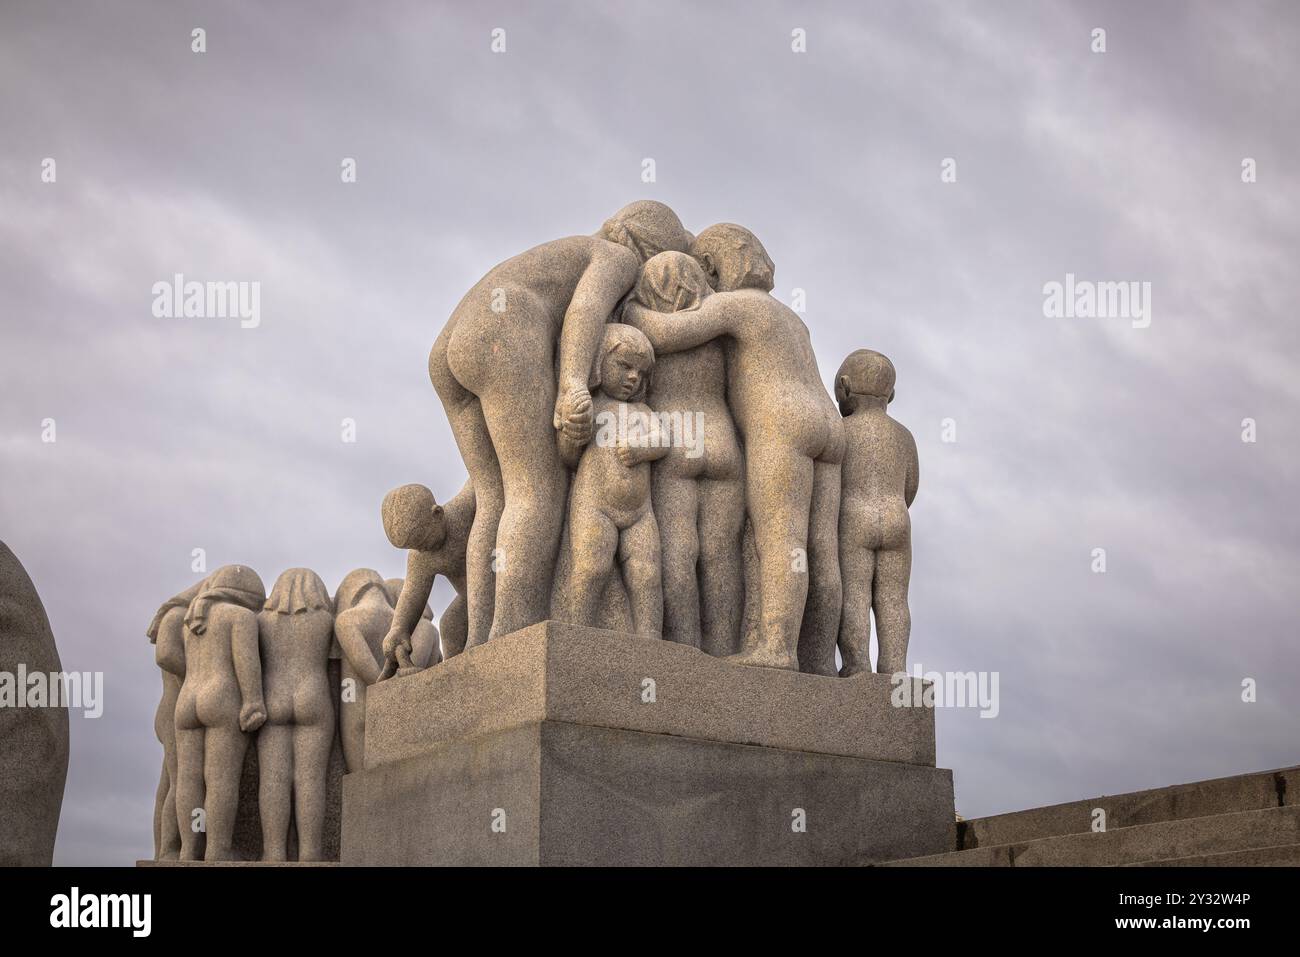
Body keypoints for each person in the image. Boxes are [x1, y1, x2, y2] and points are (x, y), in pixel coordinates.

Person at [428, 201, 692, 648]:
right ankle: (513, 635)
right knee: (536, 492)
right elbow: (586, 309)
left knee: (495, 498)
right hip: (503, 328)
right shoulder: (615, 257)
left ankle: (478, 642)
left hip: (449, 348)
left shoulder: (569, 250)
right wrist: (572, 383)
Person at [622, 226, 844, 674]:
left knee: (780, 540)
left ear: (715, 265)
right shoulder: (792, 318)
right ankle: (818, 658)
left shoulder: (738, 305)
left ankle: (778, 650)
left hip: (782, 422)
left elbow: (667, 333)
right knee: (820, 548)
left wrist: (628, 307)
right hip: (828, 426)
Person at [629, 252, 745, 654]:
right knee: (721, 557)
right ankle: (725, 651)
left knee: (679, 551)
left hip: (678, 440)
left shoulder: (645, 324)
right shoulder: (716, 328)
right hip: (722, 441)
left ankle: (685, 648)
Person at [564, 324, 668, 638]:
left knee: (647, 574)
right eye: (624, 366)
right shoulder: (593, 408)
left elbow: (662, 440)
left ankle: (650, 642)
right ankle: (575, 634)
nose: (633, 377)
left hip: (640, 513)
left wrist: (642, 449)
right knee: (590, 568)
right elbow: (568, 457)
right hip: (595, 507)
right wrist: (573, 432)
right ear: (599, 363)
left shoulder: (643, 411)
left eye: (641, 372)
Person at [173, 564, 266, 861]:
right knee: (220, 779)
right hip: (221, 697)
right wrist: (253, 701)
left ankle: (188, 850)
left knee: (188, 779)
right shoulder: (240, 617)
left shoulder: (190, 623)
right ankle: (217, 850)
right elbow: (245, 661)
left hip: (187, 701)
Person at [834, 351, 918, 676]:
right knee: (894, 599)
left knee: (854, 594)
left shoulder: (842, 431)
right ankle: (895, 669)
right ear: (891, 394)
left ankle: (857, 667)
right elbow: (911, 485)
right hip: (898, 519)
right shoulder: (904, 436)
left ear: (845, 387)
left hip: (853, 518)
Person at [256, 568, 335, 861]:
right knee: (311, 779)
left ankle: (273, 852)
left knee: (273, 779)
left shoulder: (261, 621)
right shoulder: (325, 621)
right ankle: (310, 853)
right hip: (312, 696)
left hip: (273, 696)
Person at [145, 578, 205, 860]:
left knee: (174, 782)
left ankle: (171, 849)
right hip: (173, 710)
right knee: (178, 781)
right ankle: (169, 849)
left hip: (179, 706)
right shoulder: (177, 614)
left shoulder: (192, 614)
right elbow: (166, 655)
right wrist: (199, 677)